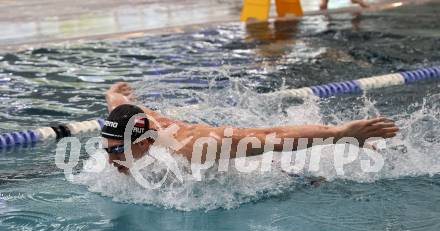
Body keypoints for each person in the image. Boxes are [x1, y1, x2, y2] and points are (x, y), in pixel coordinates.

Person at [101, 82, 398, 174]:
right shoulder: (123, 120)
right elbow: (116, 101)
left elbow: (276, 137)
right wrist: (115, 92)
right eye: (107, 150)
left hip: (261, 164)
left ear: (142, 144)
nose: (110, 160)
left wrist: (341, 134)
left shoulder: (194, 147)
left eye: (115, 152)